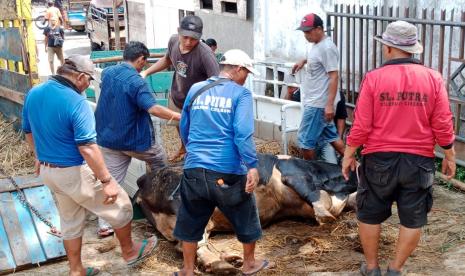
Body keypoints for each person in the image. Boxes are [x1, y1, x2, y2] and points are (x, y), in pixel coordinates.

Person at [22, 55, 157, 276]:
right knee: (122, 207)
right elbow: (87, 147)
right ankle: (130, 252)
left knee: (70, 220)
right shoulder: (76, 102)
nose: (88, 85)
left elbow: (28, 130)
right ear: (81, 77)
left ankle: (76, 270)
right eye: (89, 80)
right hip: (73, 171)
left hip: (49, 172)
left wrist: (38, 156)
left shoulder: (34, 92)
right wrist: (107, 181)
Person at [342, 21, 456, 276]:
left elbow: (361, 124)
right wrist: (449, 154)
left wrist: (348, 155)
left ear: (389, 48)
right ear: (413, 49)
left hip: (378, 158)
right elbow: (442, 121)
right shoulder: (433, 78)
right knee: (413, 218)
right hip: (419, 161)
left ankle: (372, 268)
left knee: (369, 214)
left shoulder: (374, 78)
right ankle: (395, 269)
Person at [173, 49, 272, 276]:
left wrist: (192, 151)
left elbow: (184, 125)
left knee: (190, 218)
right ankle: (249, 264)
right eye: (246, 72)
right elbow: (242, 133)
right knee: (246, 213)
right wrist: (252, 166)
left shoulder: (196, 89)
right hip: (227, 170)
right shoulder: (241, 95)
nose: (246, 77)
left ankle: (187, 270)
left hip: (194, 168)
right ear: (237, 69)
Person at [95, 41, 181, 235]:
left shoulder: (108, 73)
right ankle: (164, 208)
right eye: (145, 61)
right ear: (141, 59)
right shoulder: (136, 81)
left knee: (112, 182)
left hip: (108, 139)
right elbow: (153, 108)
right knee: (162, 167)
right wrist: (179, 116)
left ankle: (104, 224)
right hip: (135, 140)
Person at [140, 15, 219, 162]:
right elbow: (167, 59)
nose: (189, 42)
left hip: (196, 103)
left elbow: (217, 83)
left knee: (196, 133)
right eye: (185, 37)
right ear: (179, 32)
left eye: (193, 39)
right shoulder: (173, 41)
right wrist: (146, 72)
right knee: (179, 126)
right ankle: (183, 148)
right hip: (177, 95)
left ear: (200, 37)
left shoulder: (206, 54)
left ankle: (197, 159)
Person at [292, 13, 345, 160]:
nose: (306, 35)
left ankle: (310, 177)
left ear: (319, 29)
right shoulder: (318, 45)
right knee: (333, 139)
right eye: (304, 32)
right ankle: (357, 169)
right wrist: (305, 60)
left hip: (318, 104)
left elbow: (334, 76)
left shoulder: (327, 48)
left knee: (305, 142)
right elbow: (320, 63)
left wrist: (329, 105)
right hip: (318, 102)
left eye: (308, 31)